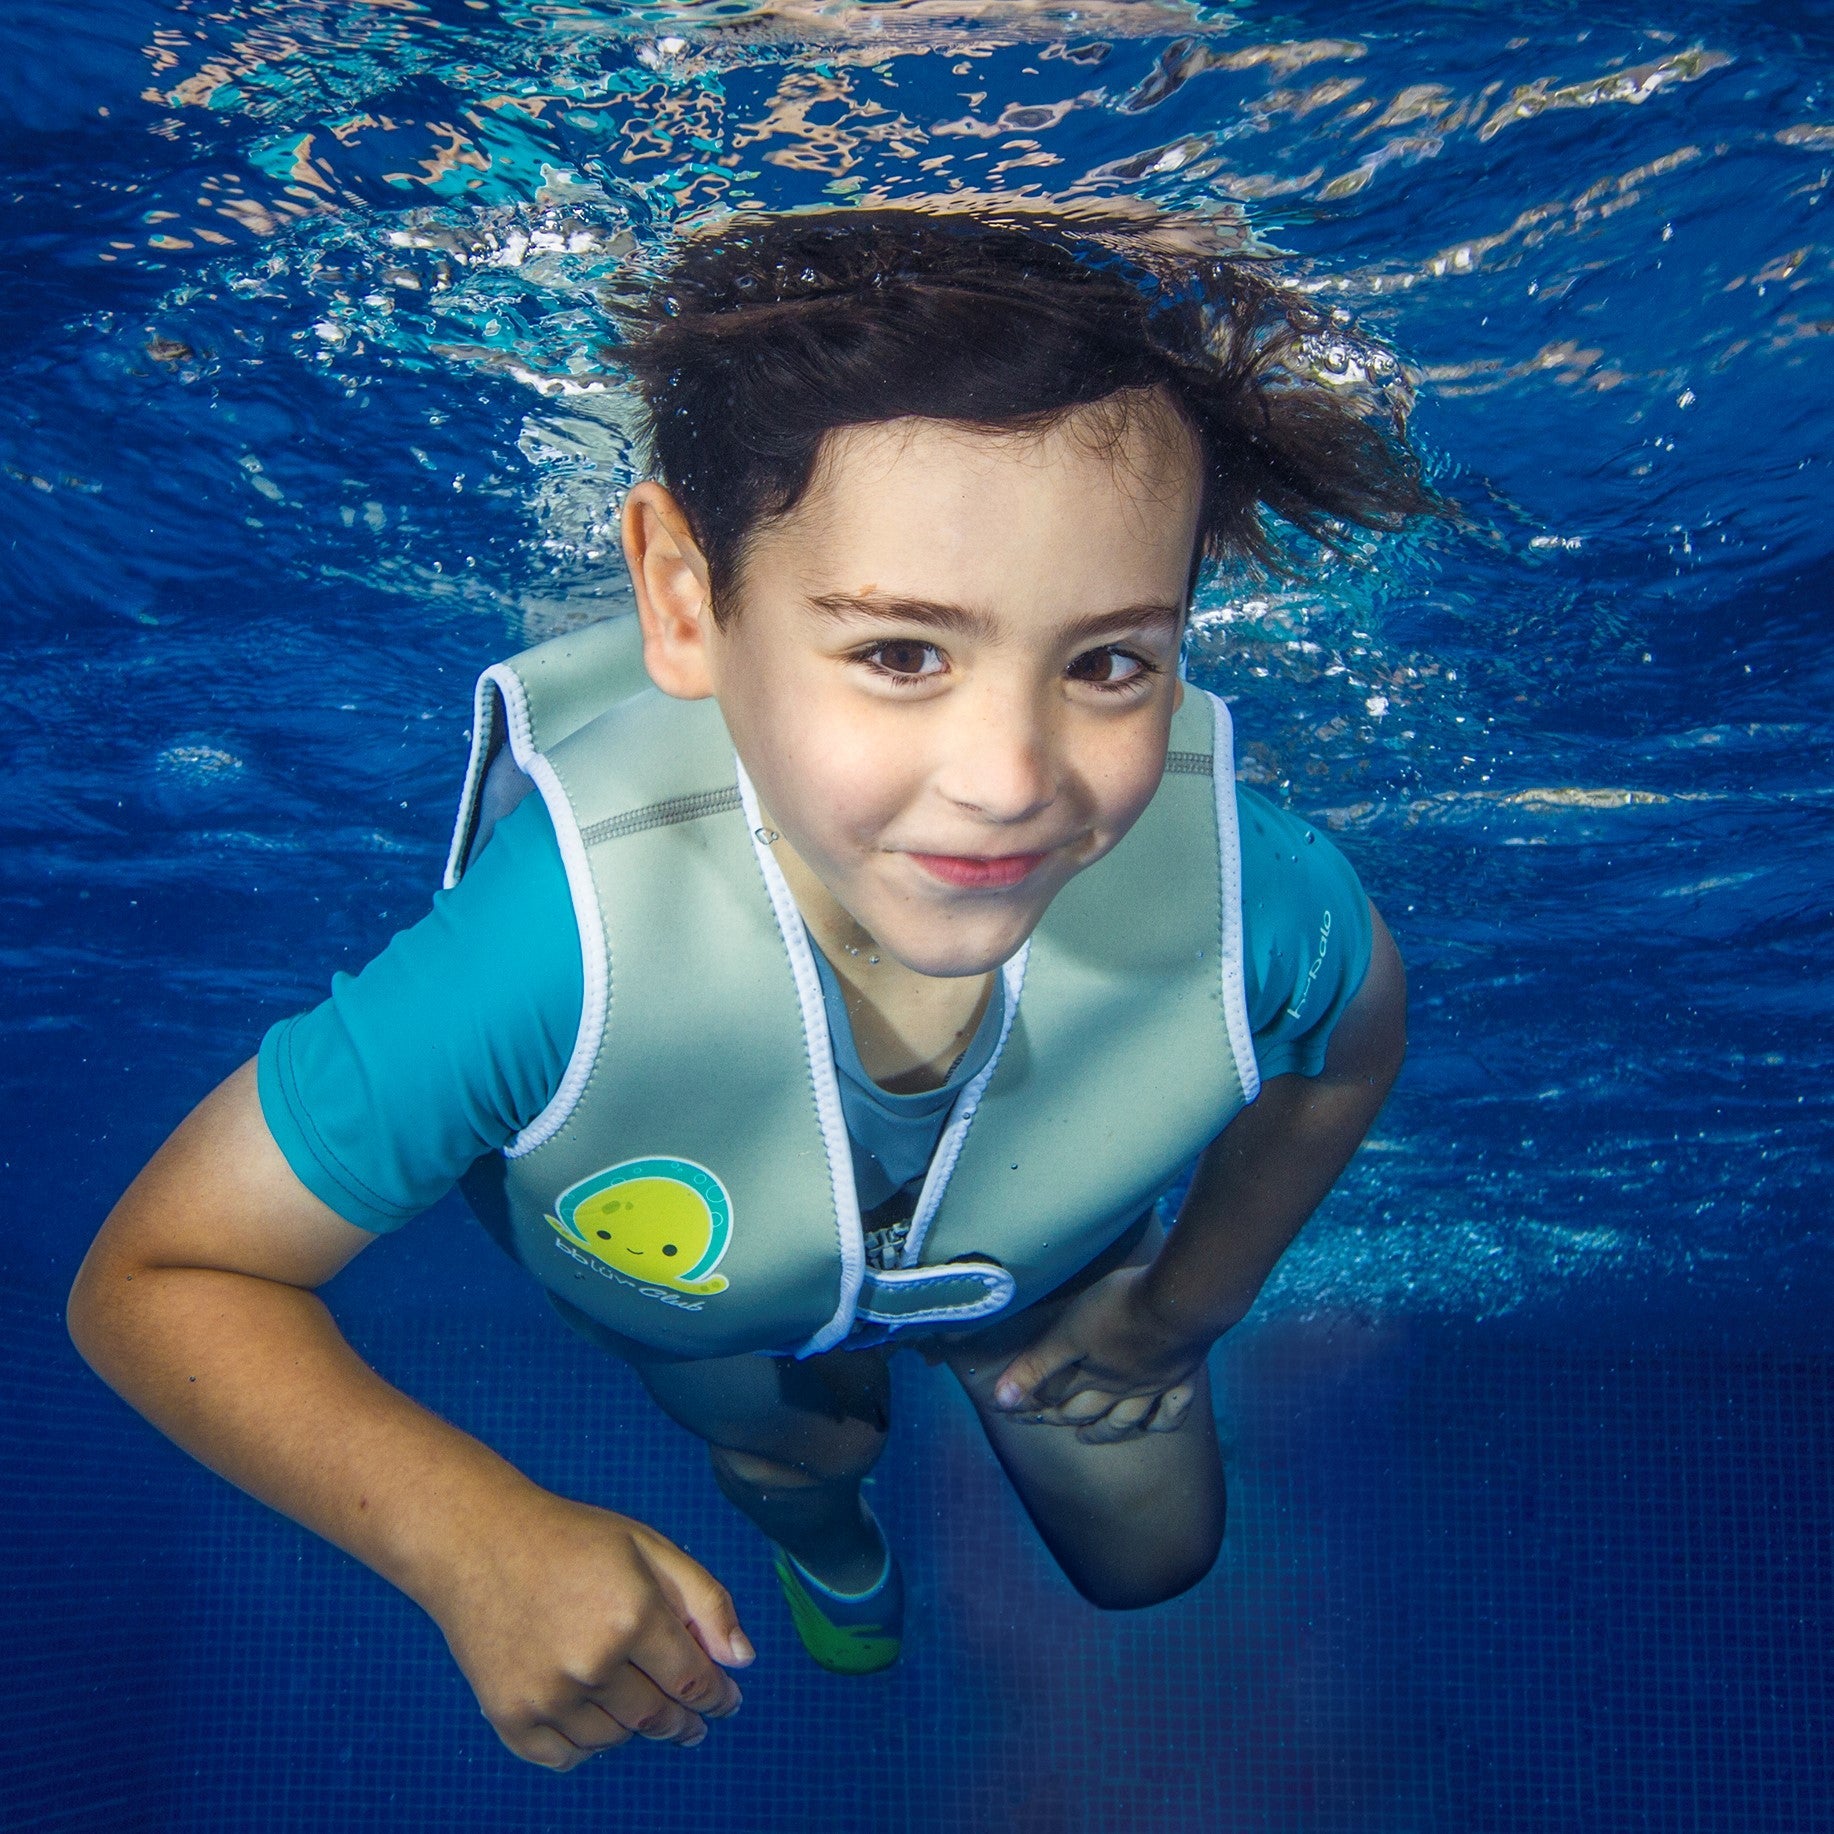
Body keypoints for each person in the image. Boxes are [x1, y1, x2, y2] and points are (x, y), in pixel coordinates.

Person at [68, 205, 1432, 1771]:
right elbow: (160, 1272)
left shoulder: (1260, 899)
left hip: (1044, 1268)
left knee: (1155, 1560)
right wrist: (467, 1534)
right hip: (714, 1321)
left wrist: (1181, 1309)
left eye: (1109, 663)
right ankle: (832, 1545)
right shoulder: (556, 941)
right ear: (679, 600)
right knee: (798, 1453)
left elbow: (1350, 1050)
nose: (1008, 779)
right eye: (902, 654)